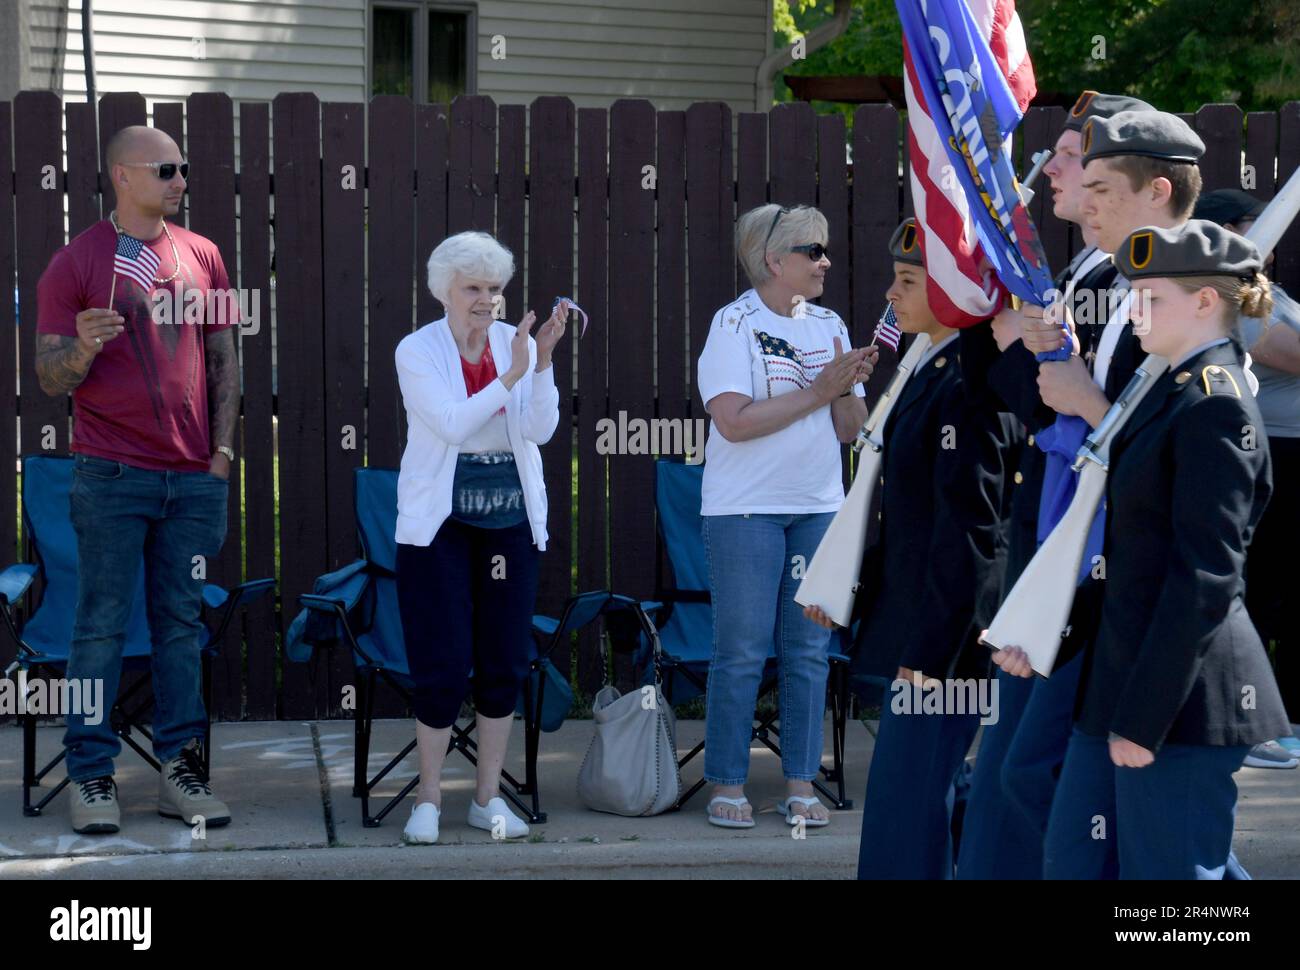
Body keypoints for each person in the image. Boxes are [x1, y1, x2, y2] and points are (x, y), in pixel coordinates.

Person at [999, 220, 1291, 879]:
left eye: (1152, 297)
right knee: (1079, 857)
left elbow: (1203, 578)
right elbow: (1124, 561)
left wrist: (1146, 717)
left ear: (1205, 303)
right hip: (1123, 682)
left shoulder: (1213, 404)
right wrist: (1045, 633)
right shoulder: (1166, 390)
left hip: (1177, 702)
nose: (1134, 310)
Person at [955, 91, 1152, 879]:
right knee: (1024, 772)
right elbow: (1040, 415)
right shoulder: (1085, 272)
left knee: (1050, 780)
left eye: (1080, 165)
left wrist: (1071, 391)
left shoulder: (1150, 284)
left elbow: (1144, 433)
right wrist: (1018, 353)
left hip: (1105, 565)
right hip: (1063, 548)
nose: (1057, 177)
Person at [35, 125, 240, 836]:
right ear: (123, 176)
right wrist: (84, 348)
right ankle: (91, 775)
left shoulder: (204, 255)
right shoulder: (75, 263)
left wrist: (223, 455)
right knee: (98, 626)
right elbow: (49, 373)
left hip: (190, 480)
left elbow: (223, 361)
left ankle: (179, 769)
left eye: (182, 167)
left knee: (181, 625)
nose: (181, 179)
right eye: (166, 169)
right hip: (110, 474)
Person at [805, 219, 1021, 878]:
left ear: (956, 291)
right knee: (924, 800)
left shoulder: (970, 384)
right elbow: (911, 521)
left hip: (947, 644)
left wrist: (930, 657)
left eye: (907, 282)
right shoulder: (931, 366)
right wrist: (853, 587)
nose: (891, 296)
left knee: (908, 803)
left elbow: (972, 535)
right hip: (923, 627)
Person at [695, 203, 875, 829]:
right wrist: (821, 391)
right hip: (745, 511)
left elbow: (850, 430)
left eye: (825, 248)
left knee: (809, 651)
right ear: (775, 261)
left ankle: (801, 783)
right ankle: (726, 783)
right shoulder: (732, 324)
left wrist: (849, 388)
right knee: (742, 650)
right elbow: (734, 423)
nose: (826, 261)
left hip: (817, 508)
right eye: (813, 251)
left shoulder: (828, 323)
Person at [393, 231, 567, 844]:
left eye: (495, 288)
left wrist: (539, 366)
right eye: (474, 287)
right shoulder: (417, 350)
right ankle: (430, 798)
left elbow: (539, 430)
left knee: (502, 660)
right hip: (438, 529)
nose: (487, 300)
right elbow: (449, 423)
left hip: (510, 525)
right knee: (440, 662)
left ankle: (488, 797)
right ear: (445, 290)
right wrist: (511, 374)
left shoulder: (511, 345)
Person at [1194, 188, 1300, 768]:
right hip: (1275, 452)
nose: (1272, 240)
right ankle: (1252, 723)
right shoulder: (1234, 296)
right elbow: (1293, 353)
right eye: (1257, 227)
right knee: (1261, 586)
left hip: (1294, 453)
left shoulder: (1270, 291)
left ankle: (1283, 714)